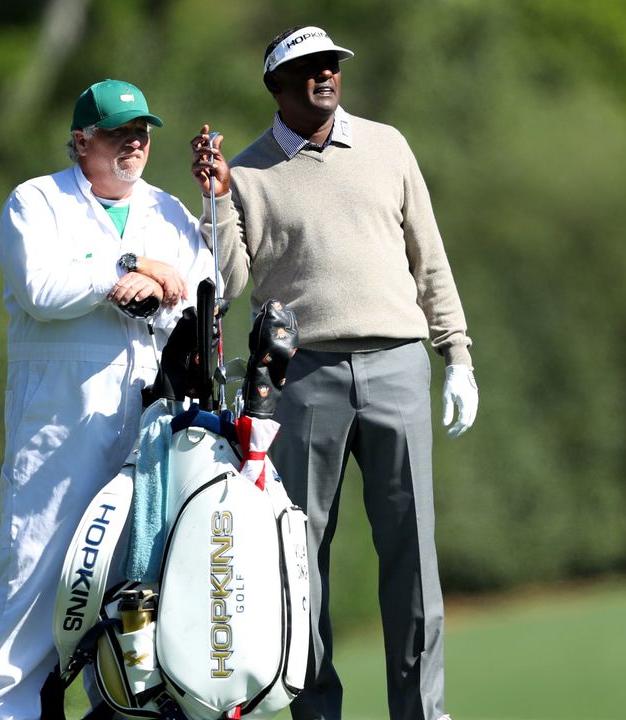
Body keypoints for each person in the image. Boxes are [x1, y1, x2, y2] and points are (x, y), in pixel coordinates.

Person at [189, 26, 478, 720]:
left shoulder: (388, 146)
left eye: (332, 65)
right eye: (308, 68)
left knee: (412, 560)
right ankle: (315, 712)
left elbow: (428, 257)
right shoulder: (250, 170)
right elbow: (227, 284)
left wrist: (457, 354)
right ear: (277, 87)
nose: (325, 75)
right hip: (302, 375)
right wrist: (219, 199)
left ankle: (422, 712)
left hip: (397, 366)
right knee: (298, 561)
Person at [0, 78, 214, 720]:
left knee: (145, 582)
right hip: (60, 423)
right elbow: (41, 289)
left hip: (148, 417)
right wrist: (125, 270)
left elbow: (203, 294)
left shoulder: (169, 210)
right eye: (117, 133)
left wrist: (167, 284)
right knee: (37, 576)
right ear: (82, 140)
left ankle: (120, 711)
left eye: (141, 133)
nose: (134, 143)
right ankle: (10, 712)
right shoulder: (36, 201)